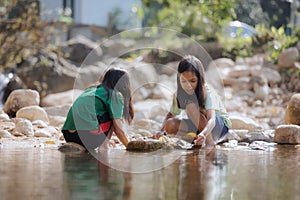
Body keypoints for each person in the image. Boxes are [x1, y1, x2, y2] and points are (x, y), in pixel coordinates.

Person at [155, 55, 231, 148]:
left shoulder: (207, 91)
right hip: (199, 126)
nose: (188, 85)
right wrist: (161, 131)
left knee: (190, 106)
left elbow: (212, 119)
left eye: (192, 81)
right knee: (170, 124)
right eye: (184, 81)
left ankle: (210, 142)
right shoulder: (179, 94)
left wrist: (204, 134)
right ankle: (195, 139)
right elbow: (170, 115)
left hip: (218, 127)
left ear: (200, 79)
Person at [61, 68, 134, 150]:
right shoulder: (114, 95)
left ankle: (103, 143)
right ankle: (104, 145)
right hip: (86, 138)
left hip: (68, 134)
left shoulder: (92, 89)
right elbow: (118, 130)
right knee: (112, 116)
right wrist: (129, 147)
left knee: (105, 112)